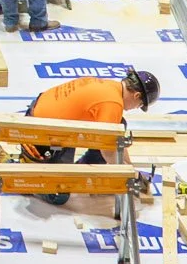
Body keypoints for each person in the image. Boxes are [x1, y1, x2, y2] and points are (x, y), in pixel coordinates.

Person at [22, 70, 160, 205]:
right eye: (140, 105)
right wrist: (131, 176)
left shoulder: (110, 87)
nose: (136, 108)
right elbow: (108, 151)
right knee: (58, 195)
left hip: (47, 121)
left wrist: (130, 168)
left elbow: (116, 140)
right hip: (40, 136)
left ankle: (81, 172)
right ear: (136, 96)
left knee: (118, 124)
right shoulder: (112, 104)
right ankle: (27, 179)